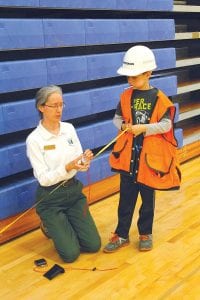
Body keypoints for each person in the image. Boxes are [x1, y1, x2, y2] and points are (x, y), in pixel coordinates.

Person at [103, 45, 181, 253]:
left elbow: (166, 125)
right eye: (128, 77)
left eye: (134, 77)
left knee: (148, 202)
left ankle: (145, 233)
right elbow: (117, 118)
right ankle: (121, 235)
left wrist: (143, 128)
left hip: (149, 162)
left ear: (148, 73)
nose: (130, 81)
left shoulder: (160, 98)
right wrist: (124, 126)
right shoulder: (126, 96)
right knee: (125, 202)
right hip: (129, 161)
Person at [26, 85, 101, 262]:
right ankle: (48, 224)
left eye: (62, 104)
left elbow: (78, 160)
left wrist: (84, 160)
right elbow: (44, 179)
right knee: (70, 254)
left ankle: (65, 223)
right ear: (41, 107)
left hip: (73, 192)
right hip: (50, 198)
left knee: (93, 245)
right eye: (54, 105)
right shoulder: (34, 140)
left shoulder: (69, 129)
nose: (59, 110)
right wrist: (67, 167)